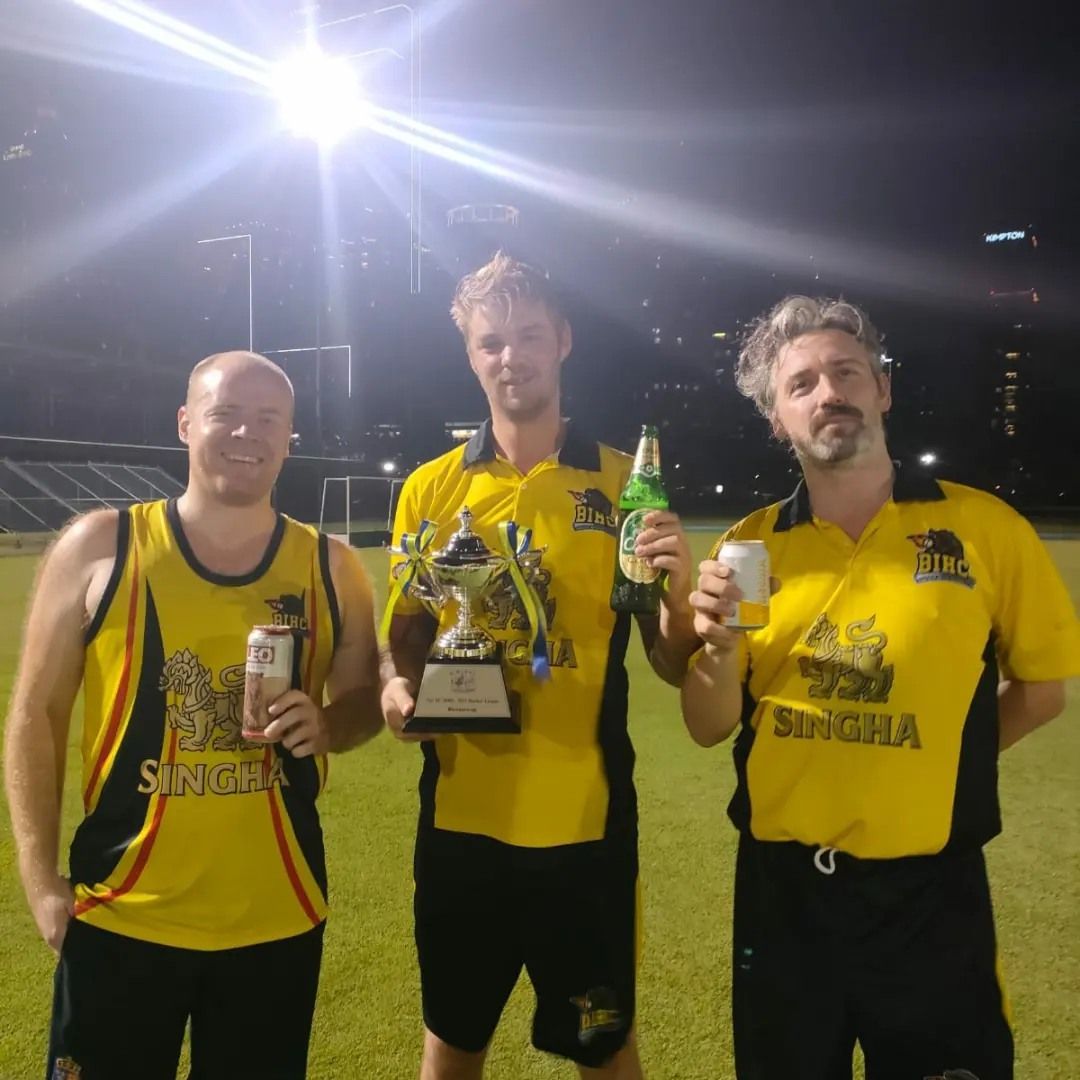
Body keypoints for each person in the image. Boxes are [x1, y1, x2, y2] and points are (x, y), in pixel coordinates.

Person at [681, 296, 1080, 1080]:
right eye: (800, 384)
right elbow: (706, 725)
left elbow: (1041, 690)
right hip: (783, 895)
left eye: (846, 372)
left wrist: (927, 760)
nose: (827, 393)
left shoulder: (988, 531)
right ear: (776, 418)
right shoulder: (749, 544)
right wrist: (718, 648)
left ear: (882, 390)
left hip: (930, 898)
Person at [4, 351, 384, 1080]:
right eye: (225, 414)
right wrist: (40, 880)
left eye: (268, 419)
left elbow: (363, 700)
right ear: (185, 423)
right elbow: (36, 717)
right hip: (122, 911)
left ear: (290, 436)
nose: (247, 432)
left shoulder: (330, 566)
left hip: (277, 913)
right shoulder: (101, 545)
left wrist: (331, 725)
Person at [381, 253, 698, 1079]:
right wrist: (394, 683)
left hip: (585, 829)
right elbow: (407, 629)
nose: (509, 357)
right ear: (471, 355)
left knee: (606, 1048)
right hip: (460, 825)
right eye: (491, 342)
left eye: (527, 336)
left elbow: (668, 660)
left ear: (562, 340)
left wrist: (679, 589)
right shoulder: (429, 488)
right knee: (452, 1043)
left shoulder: (626, 484)